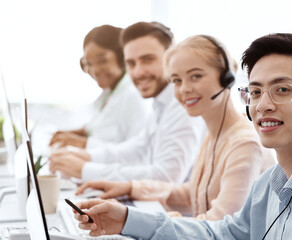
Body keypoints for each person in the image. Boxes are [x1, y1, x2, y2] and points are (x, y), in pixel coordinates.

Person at [74, 33, 292, 239]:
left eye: (282, 89)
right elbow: (223, 232)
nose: (262, 105)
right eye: (256, 91)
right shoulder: (268, 185)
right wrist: (126, 219)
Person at [75, 35, 274, 220]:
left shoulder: (244, 144)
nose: (184, 89)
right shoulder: (216, 134)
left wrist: (134, 220)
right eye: (177, 80)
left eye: (195, 76)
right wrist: (130, 188)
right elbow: (195, 193)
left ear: (226, 78)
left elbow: (220, 225)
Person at [49, 22, 205, 182]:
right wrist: (85, 155)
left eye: (148, 59)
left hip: (167, 205)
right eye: (131, 63)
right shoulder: (160, 104)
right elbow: (137, 149)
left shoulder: (183, 105)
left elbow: (166, 177)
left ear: (172, 58)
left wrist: (85, 169)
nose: (138, 72)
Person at [49, 24, 149, 149]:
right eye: (89, 63)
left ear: (123, 57)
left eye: (102, 60)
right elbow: (102, 129)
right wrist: (76, 134)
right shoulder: (109, 93)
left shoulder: (133, 96)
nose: (94, 71)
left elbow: (137, 152)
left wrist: (83, 143)